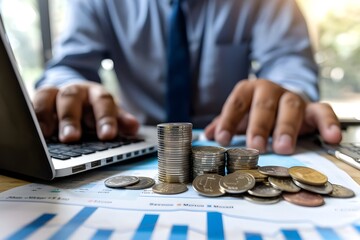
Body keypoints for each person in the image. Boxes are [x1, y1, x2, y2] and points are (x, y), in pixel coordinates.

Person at [34, 0, 342, 155]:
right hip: (135, 137)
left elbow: (289, 64)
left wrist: (288, 95)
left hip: (231, 140)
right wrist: (67, 91)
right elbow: (67, 67)